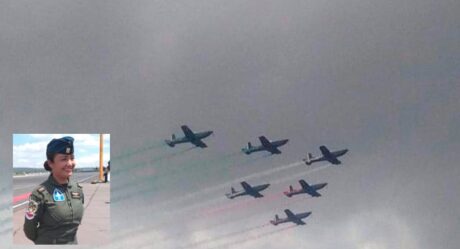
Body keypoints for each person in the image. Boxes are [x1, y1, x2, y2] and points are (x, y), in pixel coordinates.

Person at [23, 136, 85, 244]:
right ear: (51, 163)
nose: (70, 163)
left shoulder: (77, 190)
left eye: (72, 158)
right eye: (64, 159)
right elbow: (29, 229)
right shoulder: (39, 194)